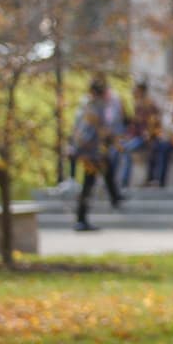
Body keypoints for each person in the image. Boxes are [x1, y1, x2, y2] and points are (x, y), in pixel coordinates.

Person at [68, 77, 125, 231]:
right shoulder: (93, 107)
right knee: (89, 183)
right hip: (91, 152)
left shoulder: (91, 106)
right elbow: (90, 131)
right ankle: (81, 218)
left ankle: (115, 198)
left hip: (95, 151)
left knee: (106, 171)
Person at [119, 81, 161, 188]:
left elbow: (153, 121)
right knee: (117, 148)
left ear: (141, 91)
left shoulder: (149, 104)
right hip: (133, 137)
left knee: (126, 149)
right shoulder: (136, 105)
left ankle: (124, 182)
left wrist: (149, 134)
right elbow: (132, 124)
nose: (134, 93)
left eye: (136, 90)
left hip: (143, 138)